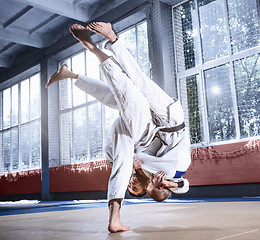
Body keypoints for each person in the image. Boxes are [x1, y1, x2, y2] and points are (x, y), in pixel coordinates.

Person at [46, 22, 191, 232]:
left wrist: (117, 213)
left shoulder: (134, 162)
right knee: (137, 84)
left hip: (147, 128)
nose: (131, 184)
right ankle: (109, 41)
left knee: (126, 97)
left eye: (130, 188)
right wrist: (170, 184)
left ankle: (82, 61)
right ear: (151, 186)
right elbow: (183, 187)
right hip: (170, 120)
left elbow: (120, 165)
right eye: (136, 188)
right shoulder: (171, 174)